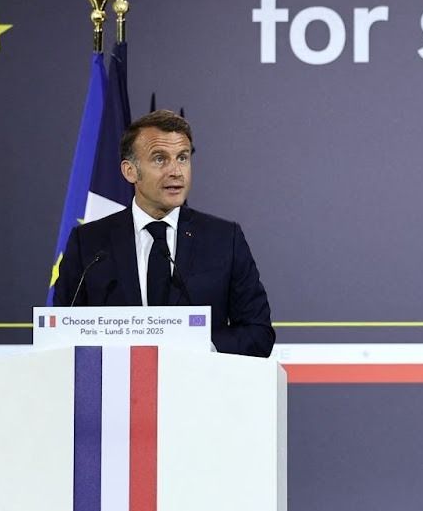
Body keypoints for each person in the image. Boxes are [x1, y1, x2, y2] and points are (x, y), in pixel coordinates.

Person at [51, 109, 275, 357]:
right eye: (160, 159)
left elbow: (259, 333)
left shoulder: (223, 239)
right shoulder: (89, 243)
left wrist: (202, 348)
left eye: (182, 158)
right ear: (130, 171)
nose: (176, 171)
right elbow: (61, 333)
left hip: (198, 379)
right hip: (116, 379)